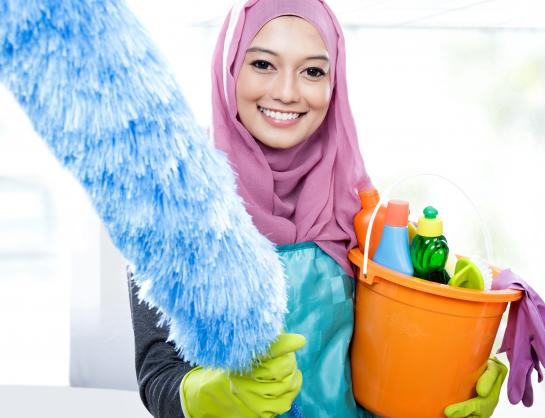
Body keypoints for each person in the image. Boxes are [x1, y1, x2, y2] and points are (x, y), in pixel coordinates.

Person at [128, 1, 507, 417]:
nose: (287, 92)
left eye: (312, 71)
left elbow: (388, 362)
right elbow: (156, 373)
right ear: (229, 68)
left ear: (335, 82)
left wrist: (447, 376)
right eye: (263, 64)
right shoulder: (171, 206)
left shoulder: (362, 208)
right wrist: (211, 395)